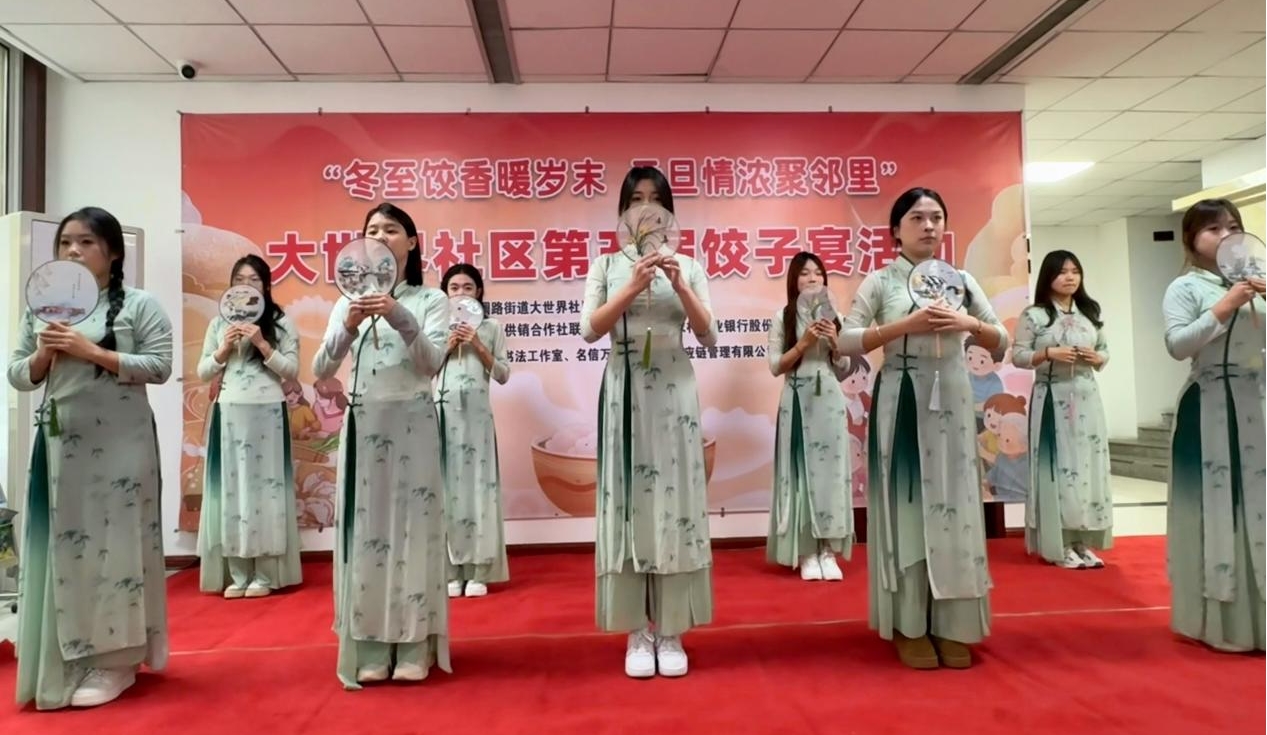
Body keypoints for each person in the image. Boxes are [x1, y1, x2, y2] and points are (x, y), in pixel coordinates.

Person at [8, 207, 173, 709]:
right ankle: (71, 652)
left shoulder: (139, 304)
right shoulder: (42, 308)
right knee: (68, 546)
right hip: (62, 443)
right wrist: (43, 355)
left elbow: (160, 366)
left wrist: (91, 351)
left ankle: (117, 659)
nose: (73, 251)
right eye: (65, 243)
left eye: (86, 242)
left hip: (123, 446)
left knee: (117, 544)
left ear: (113, 253)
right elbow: (17, 373)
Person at [840, 187, 1008, 670]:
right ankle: (909, 623)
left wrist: (966, 321)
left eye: (936, 217)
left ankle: (953, 623)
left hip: (953, 397)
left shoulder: (963, 281)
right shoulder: (881, 282)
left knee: (956, 506)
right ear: (896, 229)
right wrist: (905, 325)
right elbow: (846, 341)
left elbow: (1001, 342)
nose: (929, 225)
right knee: (908, 507)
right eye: (916, 217)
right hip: (903, 396)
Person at [580, 166, 716, 678]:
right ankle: (637, 628)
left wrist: (679, 284)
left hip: (675, 392)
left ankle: (672, 628)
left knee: (675, 502)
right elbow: (589, 329)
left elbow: (709, 335)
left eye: (655, 199)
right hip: (625, 390)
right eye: (636, 198)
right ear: (622, 210)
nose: (646, 208)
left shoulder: (689, 265)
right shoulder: (605, 265)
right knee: (629, 501)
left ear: (669, 210)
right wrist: (632, 284)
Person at [313, 203, 451, 686]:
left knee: (413, 530)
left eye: (391, 230)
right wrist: (348, 326)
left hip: (413, 425)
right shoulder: (344, 302)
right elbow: (321, 370)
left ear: (411, 243)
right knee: (368, 534)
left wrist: (399, 315)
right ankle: (371, 642)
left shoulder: (431, 299)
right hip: (365, 427)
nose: (380, 237)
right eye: (372, 230)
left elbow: (432, 363)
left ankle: (413, 642)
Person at [1163, 198, 1265, 652]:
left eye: (1233, 226)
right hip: (1208, 402)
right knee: (1216, 506)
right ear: (1192, 239)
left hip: (1256, 401)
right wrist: (1225, 306)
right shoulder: (1185, 287)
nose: (1227, 235)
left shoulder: (1258, 281)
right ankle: (1219, 622)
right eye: (1214, 229)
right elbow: (1178, 345)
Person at [196, 255, 303, 597]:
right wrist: (224, 349)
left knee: (266, 491)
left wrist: (262, 344)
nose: (246, 286)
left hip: (267, 411)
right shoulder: (218, 324)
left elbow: (291, 371)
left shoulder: (281, 323)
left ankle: (266, 574)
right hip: (228, 411)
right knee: (233, 491)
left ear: (266, 286)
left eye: (253, 280)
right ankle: (238, 574)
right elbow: (203, 372)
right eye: (239, 280)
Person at [1011, 250, 1112, 569]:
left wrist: (1098, 358)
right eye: (1062, 272)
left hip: (1087, 396)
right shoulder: (1034, 315)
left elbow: (1104, 349)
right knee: (1059, 468)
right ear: (1048, 277)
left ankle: (1082, 541)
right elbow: (1018, 356)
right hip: (1052, 397)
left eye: (1075, 271)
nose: (1070, 277)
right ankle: (1059, 543)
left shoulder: (1089, 312)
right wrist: (1049, 353)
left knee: (1087, 467)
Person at [765, 251, 854, 581]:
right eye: (804, 273)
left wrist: (836, 343)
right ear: (794, 280)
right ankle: (805, 551)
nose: (813, 278)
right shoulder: (783, 317)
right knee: (801, 473)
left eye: (817, 272)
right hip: (797, 400)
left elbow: (844, 368)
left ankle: (827, 549)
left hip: (829, 400)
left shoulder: (836, 316)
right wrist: (802, 344)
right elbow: (776, 366)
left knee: (830, 475)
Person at [436, 263, 510, 598]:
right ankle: (452, 570)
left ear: (479, 292)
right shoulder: (435, 328)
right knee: (447, 491)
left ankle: (480, 569)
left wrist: (478, 344)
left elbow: (503, 374)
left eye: (468, 287)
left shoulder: (492, 327)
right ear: (445, 294)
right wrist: (446, 346)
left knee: (479, 490)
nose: (461, 293)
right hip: (443, 417)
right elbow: (422, 371)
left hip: (477, 420)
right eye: (454, 288)